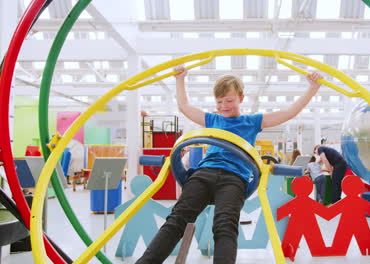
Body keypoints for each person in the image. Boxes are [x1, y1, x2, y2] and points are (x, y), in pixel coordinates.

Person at [136, 65, 323, 264]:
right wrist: (180, 78)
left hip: (234, 178)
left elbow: (289, 113)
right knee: (176, 219)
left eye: (229, 100)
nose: (224, 105)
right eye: (219, 101)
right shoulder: (212, 119)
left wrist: (312, 88)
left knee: (225, 225)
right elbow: (185, 106)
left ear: (241, 98)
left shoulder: (252, 122)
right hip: (204, 173)